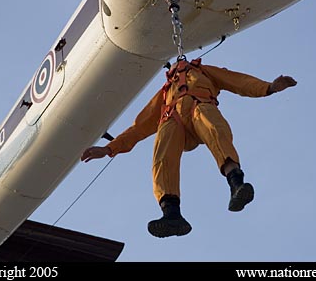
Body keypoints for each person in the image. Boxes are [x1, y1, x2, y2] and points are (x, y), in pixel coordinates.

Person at [81, 58, 297, 238]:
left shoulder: (205, 71)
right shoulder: (165, 93)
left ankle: (236, 184)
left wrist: (268, 87)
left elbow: (236, 81)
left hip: (199, 106)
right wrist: (109, 148)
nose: (177, 66)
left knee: (214, 129)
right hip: (172, 119)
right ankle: (171, 213)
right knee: (162, 156)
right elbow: (139, 127)